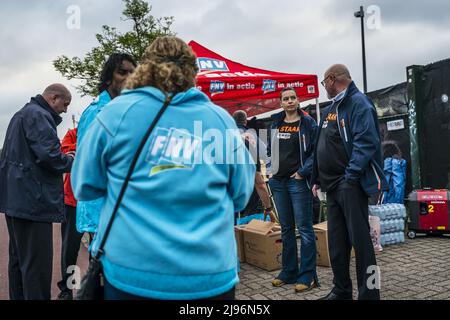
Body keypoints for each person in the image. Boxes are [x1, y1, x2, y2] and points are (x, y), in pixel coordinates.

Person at [71, 36, 255, 300]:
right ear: (193, 72)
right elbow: (240, 195)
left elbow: (84, 186)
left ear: (146, 68)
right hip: (208, 275)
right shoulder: (220, 121)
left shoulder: (114, 114)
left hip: (133, 273)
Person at [312, 64, 388, 300]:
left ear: (332, 79)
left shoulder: (359, 103)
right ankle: (342, 290)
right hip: (331, 186)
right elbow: (320, 145)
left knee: (362, 244)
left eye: (324, 83)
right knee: (337, 243)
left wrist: (350, 176)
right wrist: (316, 178)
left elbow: (366, 142)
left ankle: (370, 294)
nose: (324, 87)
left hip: (349, 185)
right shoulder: (332, 107)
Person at [0, 84, 74, 300]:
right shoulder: (39, 115)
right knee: (37, 266)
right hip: (33, 202)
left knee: (18, 261)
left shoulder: (21, 114)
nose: (65, 110)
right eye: (65, 104)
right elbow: (50, 156)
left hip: (16, 201)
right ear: (53, 98)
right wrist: (71, 160)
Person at [76, 53, 136, 234]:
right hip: (102, 211)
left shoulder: (130, 111)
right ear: (109, 78)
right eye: (122, 72)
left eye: (132, 73)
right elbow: (86, 166)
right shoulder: (96, 112)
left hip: (125, 209)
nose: (128, 78)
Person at [266, 87, 319, 293]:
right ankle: (288, 271)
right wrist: (271, 171)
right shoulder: (276, 123)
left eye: (293, 98)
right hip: (278, 183)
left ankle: (307, 276)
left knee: (304, 229)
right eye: (285, 99)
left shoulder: (307, 123)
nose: (289, 101)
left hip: (297, 183)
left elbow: (316, 151)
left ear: (297, 101)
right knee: (286, 229)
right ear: (281, 103)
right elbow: (271, 150)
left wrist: (302, 172)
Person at [232, 110, 275, 223]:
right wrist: (268, 208)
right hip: (251, 186)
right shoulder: (252, 136)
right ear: (246, 121)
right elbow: (266, 154)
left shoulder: (225, 135)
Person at [56, 127, 83, 300]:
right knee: (70, 249)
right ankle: (67, 290)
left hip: (96, 204)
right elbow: (63, 152)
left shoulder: (103, 130)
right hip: (72, 202)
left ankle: (95, 287)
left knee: (100, 249)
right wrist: (84, 145)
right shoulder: (73, 132)